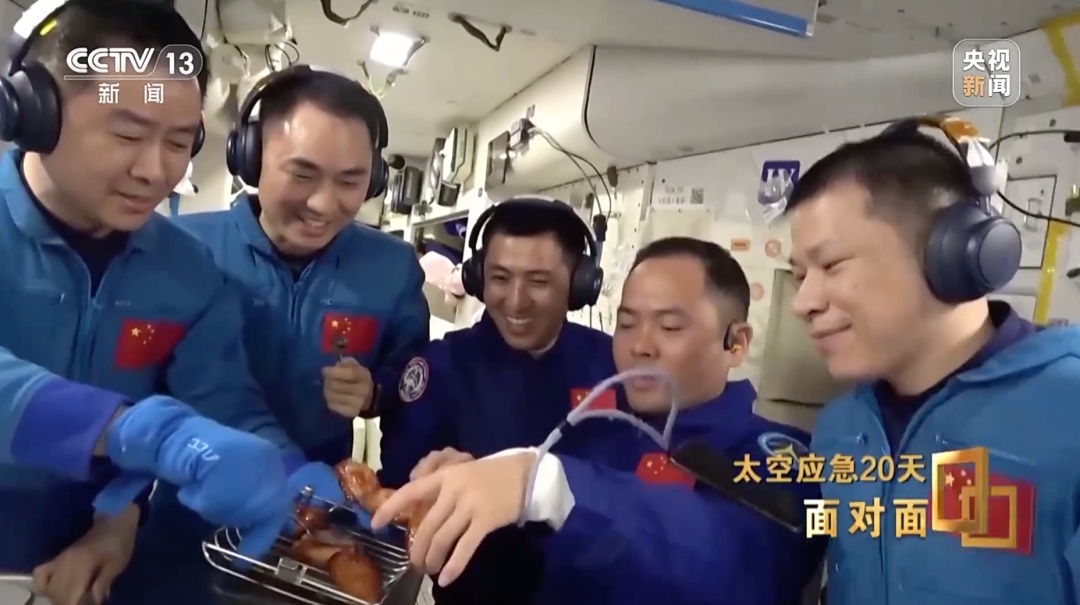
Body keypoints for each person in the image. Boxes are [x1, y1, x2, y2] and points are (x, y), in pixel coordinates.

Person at [0, 1, 310, 603]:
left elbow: (222, 401)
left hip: (85, 553)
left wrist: (292, 476)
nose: (155, 170)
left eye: (179, 142)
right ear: (34, 112)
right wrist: (132, 429)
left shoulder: (187, 270)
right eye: (127, 134)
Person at [118, 67, 430, 603]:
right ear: (250, 157)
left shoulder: (392, 267)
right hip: (190, 513)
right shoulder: (179, 249)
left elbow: (416, 383)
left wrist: (376, 392)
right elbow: (124, 390)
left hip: (319, 518)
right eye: (302, 174)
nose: (324, 204)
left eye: (350, 181)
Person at [373, 236, 822, 605]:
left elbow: (743, 564)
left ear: (736, 343)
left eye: (669, 327)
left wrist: (551, 486)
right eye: (627, 324)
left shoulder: (785, 459)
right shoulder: (596, 433)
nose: (640, 346)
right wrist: (470, 489)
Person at [784, 117, 1080, 605]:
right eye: (800, 276)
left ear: (950, 251)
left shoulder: (1069, 408)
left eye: (831, 265)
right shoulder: (842, 426)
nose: (803, 302)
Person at [378, 197, 615, 604]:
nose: (516, 300)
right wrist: (432, 483)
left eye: (538, 281)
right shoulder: (442, 366)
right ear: (476, 278)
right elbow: (399, 488)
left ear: (579, 284)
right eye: (500, 278)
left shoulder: (614, 367)